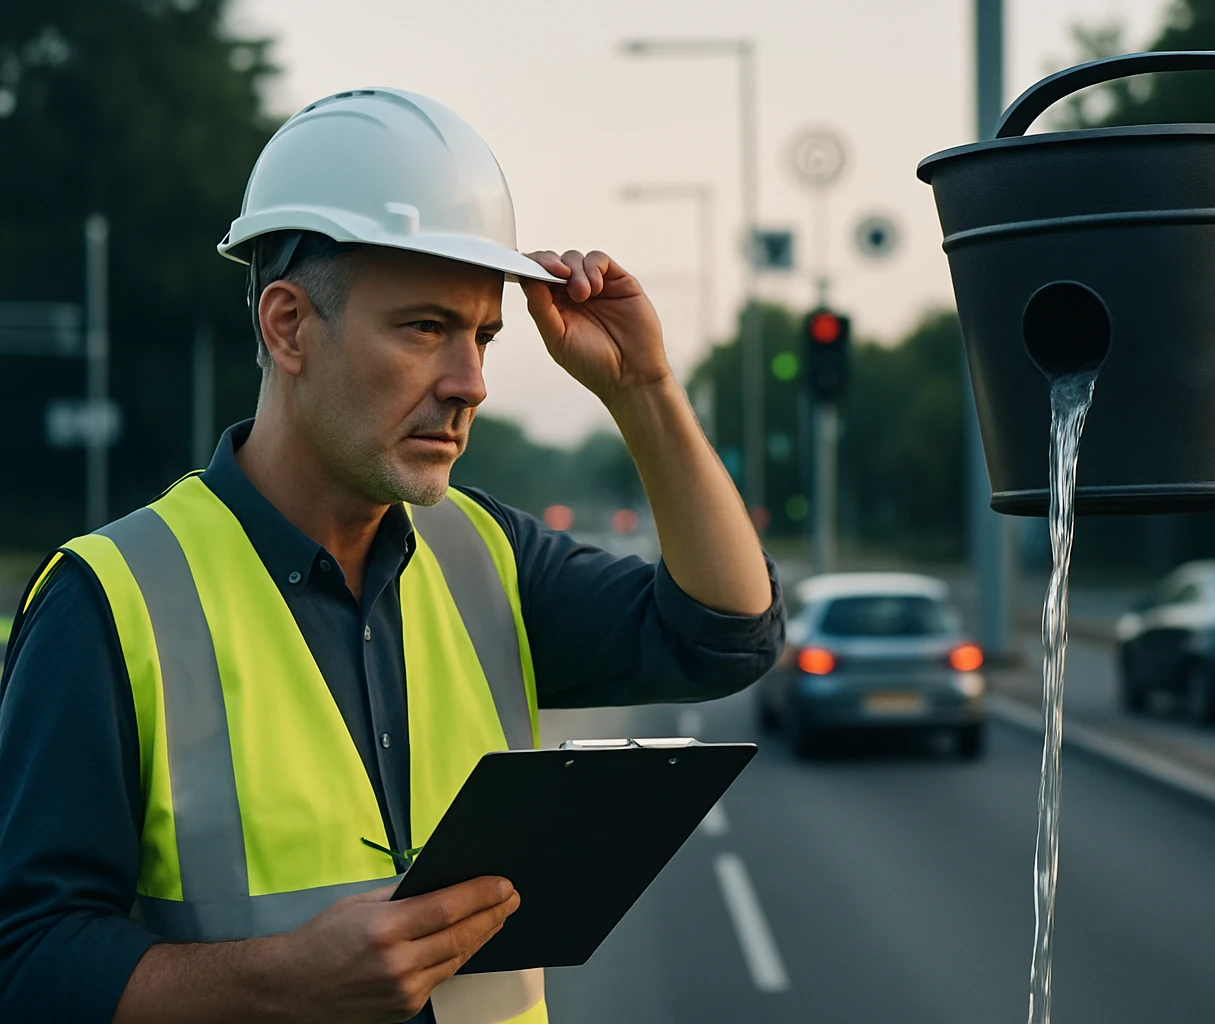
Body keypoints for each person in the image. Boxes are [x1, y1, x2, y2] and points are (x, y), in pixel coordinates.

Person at [0, 87, 784, 1023]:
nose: (471, 385)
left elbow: (726, 635)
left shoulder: (484, 554)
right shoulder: (109, 602)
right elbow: (27, 961)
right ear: (288, 326)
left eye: (483, 335)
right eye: (424, 329)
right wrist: (281, 983)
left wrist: (646, 389)